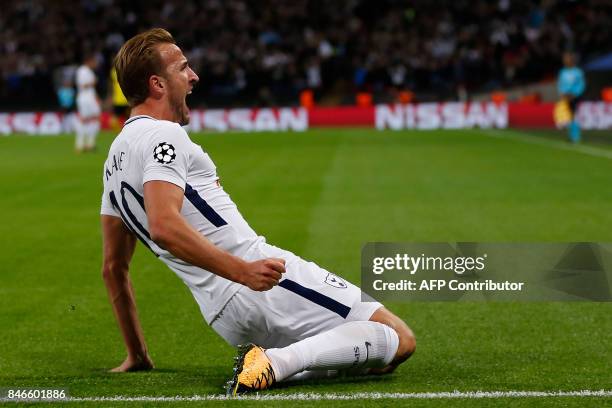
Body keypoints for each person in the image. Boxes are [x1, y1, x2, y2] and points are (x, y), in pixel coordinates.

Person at [101, 28, 415, 396]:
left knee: (374, 358)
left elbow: (113, 268)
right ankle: (277, 363)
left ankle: (272, 365)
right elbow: (164, 225)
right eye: (183, 68)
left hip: (223, 317)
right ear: (157, 84)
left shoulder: (113, 162)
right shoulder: (162, 136)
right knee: (398, 338)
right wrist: (243, 271)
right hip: (258, 279)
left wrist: (137, 353)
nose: (193, 76)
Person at [557, 51, 585, 143]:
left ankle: (575, 136)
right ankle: (571, 135)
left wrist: (574, 93)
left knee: (574, 115)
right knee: (568, 115)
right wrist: (562, 93)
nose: (565, 60)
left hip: (574, 96)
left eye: (567, 58)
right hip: (566, 96)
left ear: (571, 59)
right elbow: (560, 84)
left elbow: (581, 84)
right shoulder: (562, 72)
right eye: (564, 58)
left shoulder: (577, 72)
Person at [75, 53, 101, 152]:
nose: (95, 64)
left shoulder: (88, 71)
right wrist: (93, 82)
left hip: (89, 98)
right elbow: (82, 85)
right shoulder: (82, 71)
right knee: (85, 119)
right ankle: (81, 143)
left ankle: (89, 143)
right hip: (85, 98)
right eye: (94, 61)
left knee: (92, 119)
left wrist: (96, 97)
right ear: (89, 61)